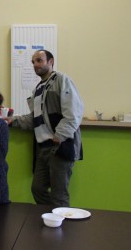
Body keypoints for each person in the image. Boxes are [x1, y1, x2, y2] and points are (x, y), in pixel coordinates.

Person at [6, 49, 83, 207]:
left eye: (39, 60)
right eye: (33, 62)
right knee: (38, 189)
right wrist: (12, 120)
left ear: (51, 61)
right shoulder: (38, 88)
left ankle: (60, 220)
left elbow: (73, 113)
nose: (35, 64)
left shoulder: (61, 80)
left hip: (59, 147)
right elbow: (35, 118)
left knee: (59, 195)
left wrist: (59, 136)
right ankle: (52, 216)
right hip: (42, 149)